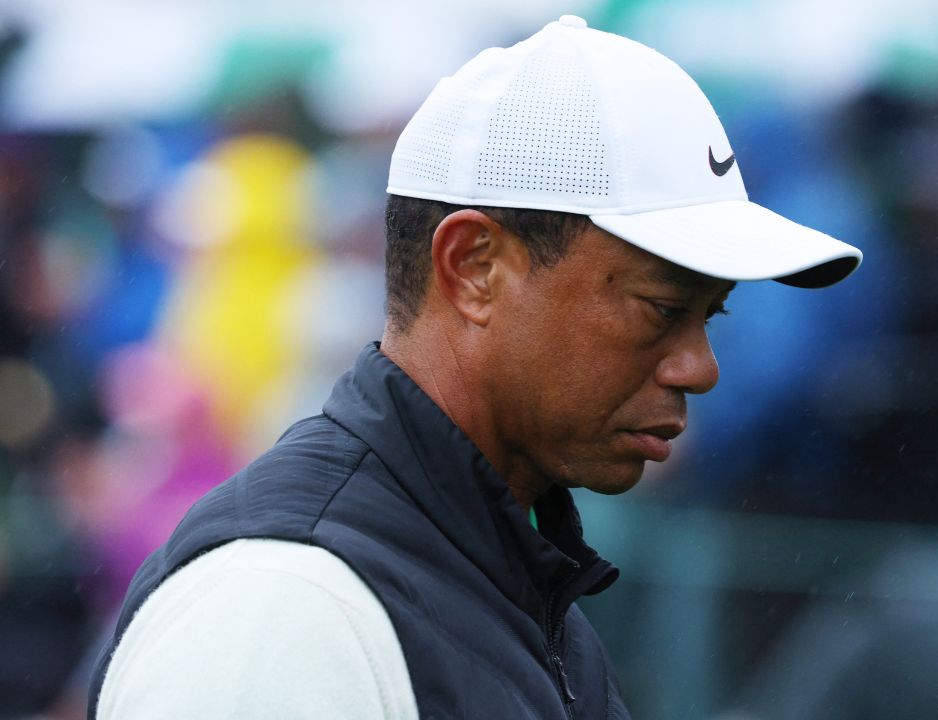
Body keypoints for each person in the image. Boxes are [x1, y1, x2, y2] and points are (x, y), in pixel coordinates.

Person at [87, 15, 862, 719]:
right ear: (473, 268)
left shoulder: (495, 572)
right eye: (662, 310)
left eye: (710, 316)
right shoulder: (283, 613)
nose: (701, 369)